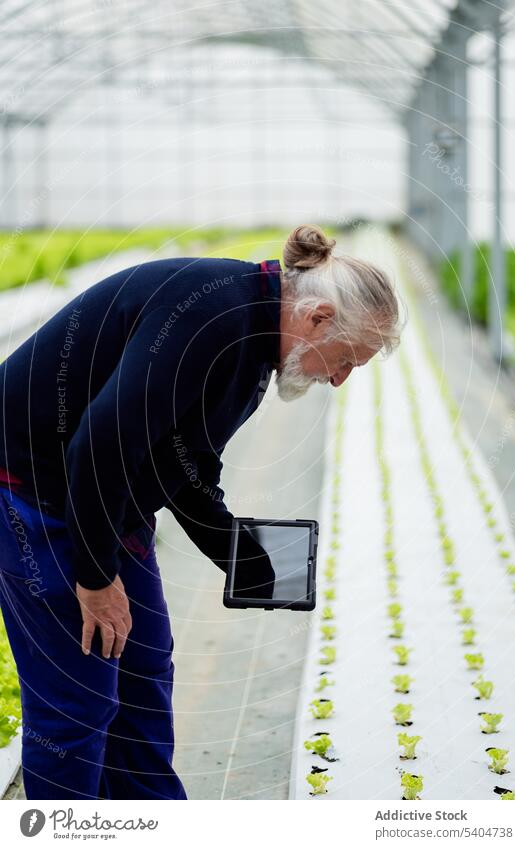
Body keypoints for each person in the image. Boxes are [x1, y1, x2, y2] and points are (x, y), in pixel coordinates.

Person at [0, 223, 405, 799]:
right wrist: (94, 579)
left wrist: (254, 562)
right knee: (77, 699)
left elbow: (182, 467)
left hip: (104, 496)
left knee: (143, 673)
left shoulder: (252, 336)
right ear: (315, 318)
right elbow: (99, 444)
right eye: (345, 360)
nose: (338, 380)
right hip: (31, 492)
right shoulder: (211, 315)